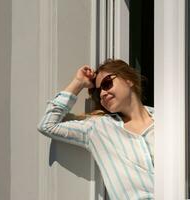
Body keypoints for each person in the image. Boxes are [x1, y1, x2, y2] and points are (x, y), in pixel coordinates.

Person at [38, 59, 155, 199]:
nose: (102, 94)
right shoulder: (98, 128)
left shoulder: (170, 120)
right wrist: (78, 83)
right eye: (97, 92)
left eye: (107, 84)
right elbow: (47, 125)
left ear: (129, 80)